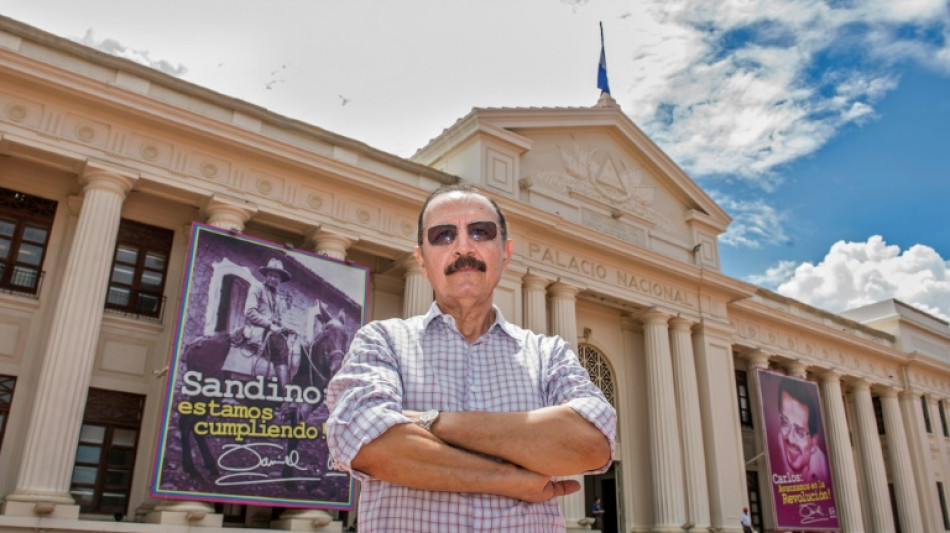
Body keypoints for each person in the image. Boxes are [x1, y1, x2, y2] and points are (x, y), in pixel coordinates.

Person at [327, 184, 617, 532]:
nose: (463, 247)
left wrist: (430, 422)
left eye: (480, 232)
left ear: (505, 253)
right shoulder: (382, 341)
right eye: (443, 235)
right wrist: (508, 479)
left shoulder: (548, 354)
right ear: (421, 260)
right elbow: (365, 443)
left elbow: (592, 445)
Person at [244, 257, 297, 390]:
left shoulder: (277, 297)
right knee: (281, 345)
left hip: (273, 331)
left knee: (296, 346)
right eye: (271, 275)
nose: (273, 279)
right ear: (266, 276)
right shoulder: (257, 288)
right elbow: (250, 312)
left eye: (277, 277)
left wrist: (288, 328)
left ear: (280, 280)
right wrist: (269, 325)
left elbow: (279, 319)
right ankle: (284, 390)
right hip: (258, 329)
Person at [777, 377, 829, 483]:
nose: (790, 438)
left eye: (799, 431)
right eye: (785, 422)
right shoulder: (774, 450)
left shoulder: (825, 470)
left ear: (813, 442)